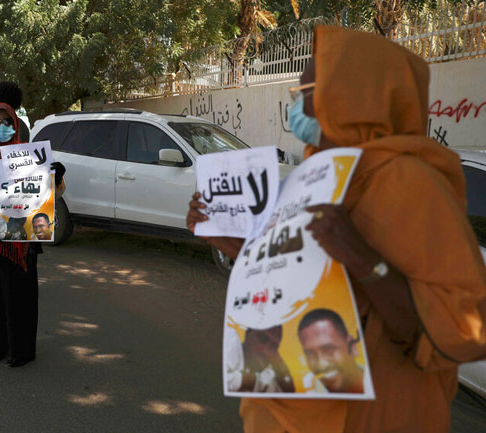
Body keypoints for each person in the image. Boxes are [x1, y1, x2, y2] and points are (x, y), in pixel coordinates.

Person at [187, 26, 486, 432]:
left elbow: (462, 333)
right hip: (282, 406)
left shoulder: (409, 183)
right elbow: (300, 277)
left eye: (307, 92)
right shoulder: (314, 172)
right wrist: (229, 241)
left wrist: (362, 257)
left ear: (352, 98)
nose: (297, 104)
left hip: (373, 415)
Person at [0, 102, 66, 367]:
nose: (1, 128)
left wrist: (56, 177)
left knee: (22, 297)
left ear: (15, 125)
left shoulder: (29, 156)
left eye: (6, 122)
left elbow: (52, 194)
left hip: (22, 240)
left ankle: (22, 351)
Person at [297, 309, 363, 394]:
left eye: (329, 350)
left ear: (352, 347)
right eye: (310, 355)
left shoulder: (376, 383)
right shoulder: (310, 390)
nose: (321, 365)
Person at [225, 326, 295, 393]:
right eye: (262, 339)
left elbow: (289, 390)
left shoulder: (266, 376)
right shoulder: (231, 338)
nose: (265, 350)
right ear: (247, 334)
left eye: (273, 347)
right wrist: (252, 381)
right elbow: (225, 379)